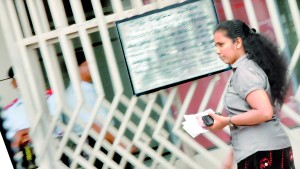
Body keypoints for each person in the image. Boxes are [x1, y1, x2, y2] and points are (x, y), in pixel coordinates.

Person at [199, 19, 295, 169]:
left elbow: (264, 112)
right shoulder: (246, 68)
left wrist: (226, 120)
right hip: (263, 150)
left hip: (262, 154)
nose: (217, 51)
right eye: (215, 45)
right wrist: (231, 155)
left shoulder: (245, 72)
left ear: (237, 43)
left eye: (221, 44)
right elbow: (247, 119)